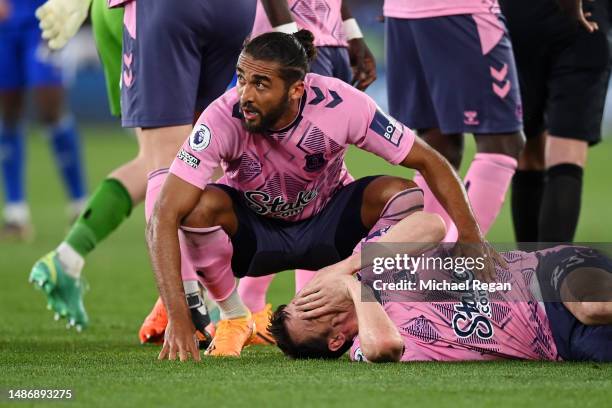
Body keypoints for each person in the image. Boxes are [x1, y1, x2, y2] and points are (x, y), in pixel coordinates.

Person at [147, 30, 499, 360]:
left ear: (297, 89)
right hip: (255, 235)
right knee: (195, 207)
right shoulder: (222, 118)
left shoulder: (342, 105)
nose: (245, 95)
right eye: (241, 79)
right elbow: (164, 214)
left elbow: (429, 159)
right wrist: (178, 314)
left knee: (403, 196)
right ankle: (234, 317)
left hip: (328, 228)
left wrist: (470, 235)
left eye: (260, 84)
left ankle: (364, 301)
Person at [28, 0, 256, 334]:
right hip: (215, 17)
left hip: (152, 16)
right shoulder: (341, 99)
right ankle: (208, 305)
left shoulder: (347, 110)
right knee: (183, 162)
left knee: (177, 160)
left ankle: (73, 257)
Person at [234, 0, 377, 346]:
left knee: (321, 181)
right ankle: (280, 308)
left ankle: (274, 305)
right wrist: (291, 39)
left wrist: (351, 33)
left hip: (330, 42)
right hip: (289, 45)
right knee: (289, 180)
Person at [272, 231, 612, 362]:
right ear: (334, 340)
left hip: (548, 272)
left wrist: (347, 268)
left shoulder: (375, 265)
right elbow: (384, 349)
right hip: (561, 342)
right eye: (308, 310)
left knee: (595, 307)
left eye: (304, 297)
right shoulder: (369, 344)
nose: (312, 297)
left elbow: (431, 224)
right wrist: (351, 287)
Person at [384, 0, 525, 241]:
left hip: (400, 15)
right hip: (460, 11)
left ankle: (422, 268)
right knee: (503, 141)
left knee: (439, 147)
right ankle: (456, 268)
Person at [500, 0, 611, 244]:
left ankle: (528, 275)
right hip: (585, 17)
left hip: (518, 18)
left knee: (528, 151)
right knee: (567, 153)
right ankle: (552, 274)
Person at [0, 0, 87, 240]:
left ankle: (80, 205)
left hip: (43, 16)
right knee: (8, 111)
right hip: (5, 20)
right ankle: (15, 213)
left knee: (50, 108)